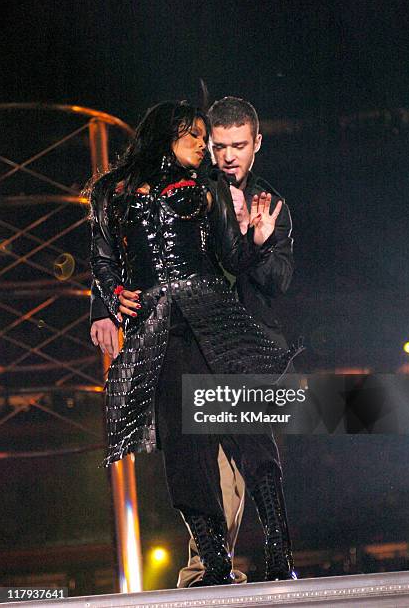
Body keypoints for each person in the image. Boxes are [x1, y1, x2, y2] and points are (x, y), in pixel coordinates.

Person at [90, 98, 298, 586]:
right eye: (199, 137)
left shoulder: (212, 189)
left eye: (217, 141)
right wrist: (111, 296)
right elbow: (101, 259)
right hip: (159, 330)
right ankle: (213, 564)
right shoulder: (110, 192)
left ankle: (277, 550)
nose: (207, 148)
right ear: (171, 133)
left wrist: (256, 239)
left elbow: (233, 257)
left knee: (248, 435)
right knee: (186, 452)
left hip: (215, 320)